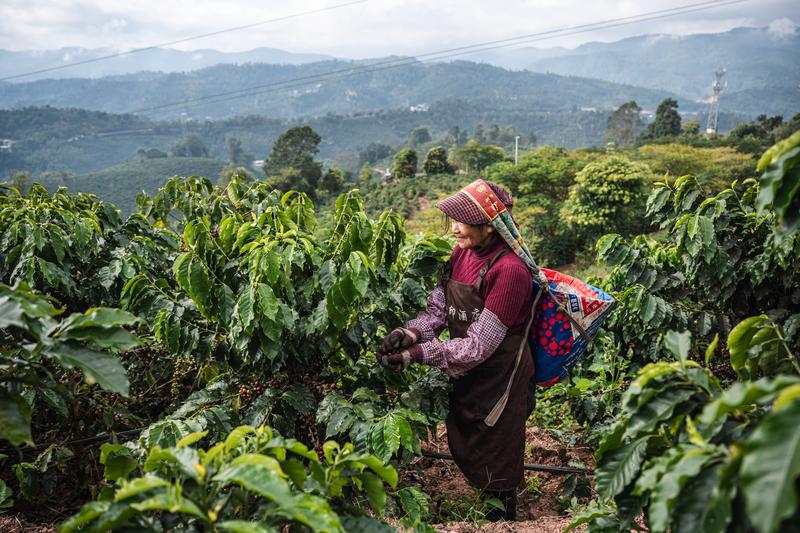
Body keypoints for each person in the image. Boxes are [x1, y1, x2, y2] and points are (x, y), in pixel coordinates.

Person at [378, 179, 537, 521]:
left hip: (499, 372)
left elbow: (481, 345)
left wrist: (418, 355)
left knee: (497, 448)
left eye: (461, 222)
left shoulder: (509, 271)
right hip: (466, 366)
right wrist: (409, 333)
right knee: (471, 439)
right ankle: (491, 508)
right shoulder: (461, 253)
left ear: (489, 226)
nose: (453, 230)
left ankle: (502, 521)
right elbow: (439, 309)